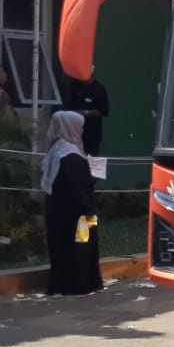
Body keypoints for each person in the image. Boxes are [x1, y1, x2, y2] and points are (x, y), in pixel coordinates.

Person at [42, 111, 102, 296]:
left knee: (61, 246)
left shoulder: (57, 151)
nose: (82, 130)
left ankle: (61, 285)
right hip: (80, 214)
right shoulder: (71, 156)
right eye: (80, 126)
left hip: (58, 211)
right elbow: (78, 187)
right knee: (82, 245)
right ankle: (80, 285)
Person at [64, 70, 111, 156]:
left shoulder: (98, 88)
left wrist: (85, 113)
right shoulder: (75, 86)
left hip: (92, 133)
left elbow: (104, 111)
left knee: (92, 159)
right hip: (75, 132)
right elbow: (69, 106)